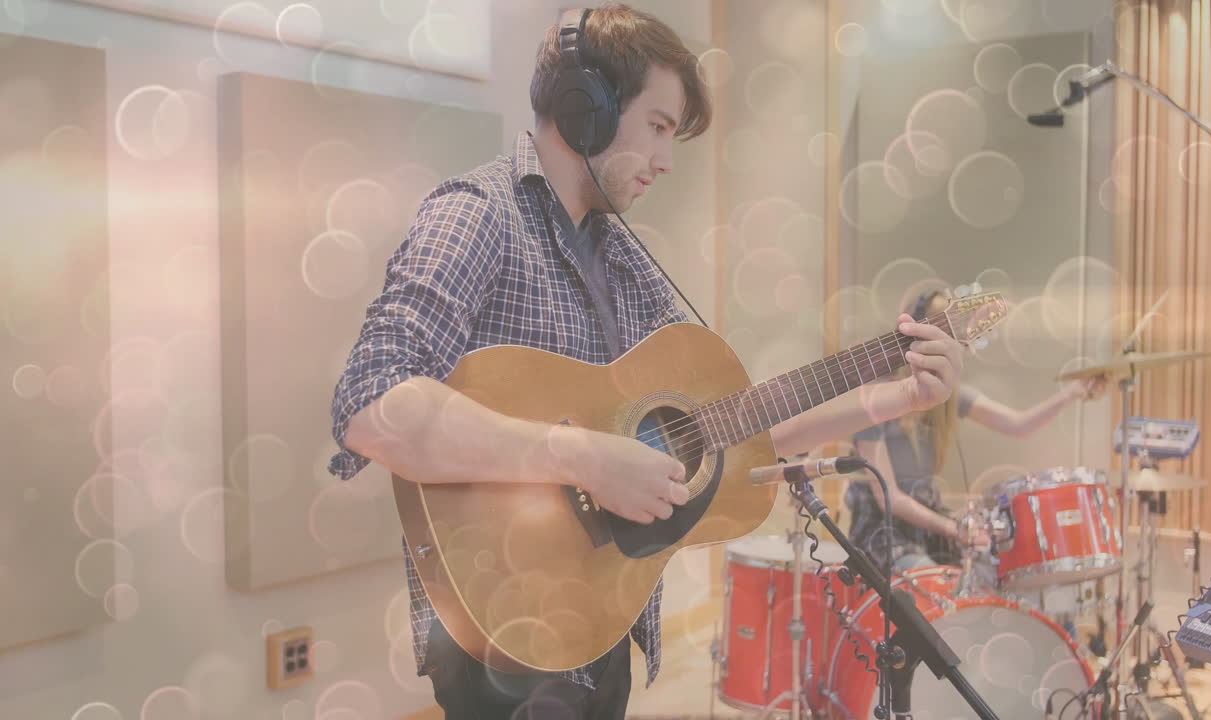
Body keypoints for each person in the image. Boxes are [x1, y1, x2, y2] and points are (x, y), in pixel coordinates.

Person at [327, 5, 965, 718]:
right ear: (587, 109)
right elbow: (370, 402)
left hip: (604, 611)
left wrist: (894, 398)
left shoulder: (626, 263)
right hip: (504, 628)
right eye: (658, 126)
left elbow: (729, 435)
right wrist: (579, 456)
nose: (666, 160)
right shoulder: (477, 215)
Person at [845, 288, 1109, 576]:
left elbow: (1018, 425)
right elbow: (890, 499)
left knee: (989, 570)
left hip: (928, 529)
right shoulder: (876, 399)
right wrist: (954, 528)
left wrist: (1073, 393)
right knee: (936, 584)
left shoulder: (948, 396)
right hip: (881, 534)